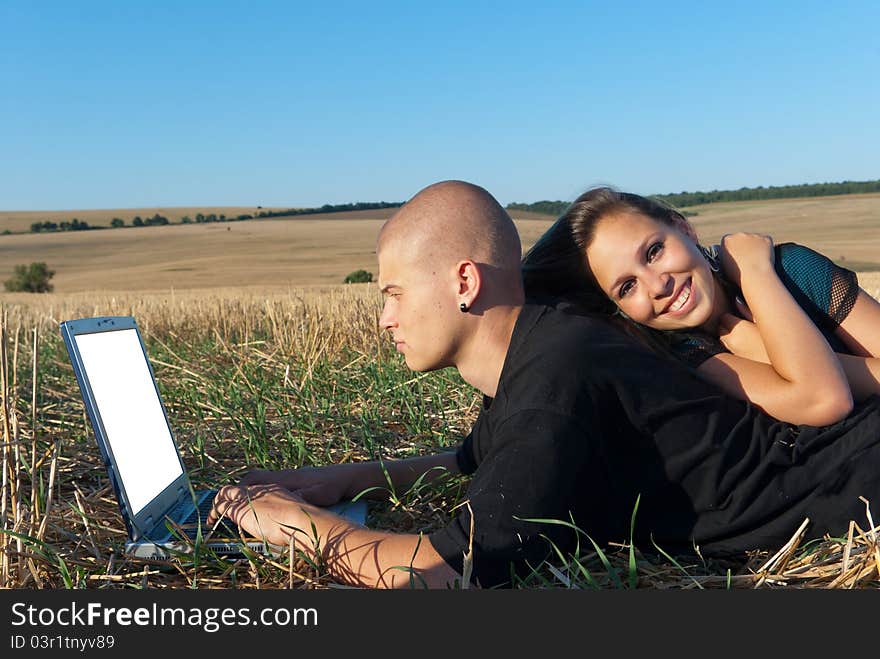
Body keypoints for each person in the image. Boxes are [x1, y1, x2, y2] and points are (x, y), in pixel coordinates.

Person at [209, 180, 880, 589]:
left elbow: (439, 575)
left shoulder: (554, 379)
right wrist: (340, 478)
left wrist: (287, 522)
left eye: (393, 292)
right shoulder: (546, 351)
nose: (383, 316)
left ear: (464, 282)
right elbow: (480, 459)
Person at [521, 186, 880, 426]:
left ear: (685, 229)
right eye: (628, 287)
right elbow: (824, 399)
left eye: (654, 251)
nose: (658, 285)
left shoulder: (792, 270)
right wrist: (756, 278)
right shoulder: (682, 353)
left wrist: (761, 288)